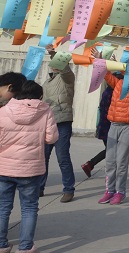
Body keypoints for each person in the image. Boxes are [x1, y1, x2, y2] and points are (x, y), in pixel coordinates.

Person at [0, 80, 58, 253]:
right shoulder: (45, 111)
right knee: (29, 208)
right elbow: (51, 138)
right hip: (31, 169)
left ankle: (1, 245)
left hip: (4, 167)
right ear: (40, 96)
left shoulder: (4, 110)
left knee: (3, 207)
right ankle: (25, 247)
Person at [98, 69, 129, 205]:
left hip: (128, 127)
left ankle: (120, 192)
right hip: (114, 125)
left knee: (121, 161)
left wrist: (125, 68)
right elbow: (106, 75)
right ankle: (109, 190)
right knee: (110, 161)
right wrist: (103, 62)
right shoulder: (118, 84)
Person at [39, 46, 76, 202]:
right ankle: (39, 187)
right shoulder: (47, 82)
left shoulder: (67, 78)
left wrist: (53, 54)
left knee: (62, 157)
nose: (55, 65)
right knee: (43, 157)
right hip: (47, 122)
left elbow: (65, 70)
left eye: (58, 62)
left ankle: (69, 189)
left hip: (62, 122)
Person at [81, 81, 113, 178]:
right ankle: (108, 174)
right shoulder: (113, 93)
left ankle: (90, 165)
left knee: (111, 150)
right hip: (109, 126)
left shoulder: (107, 91)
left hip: (104, 125)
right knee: (112, 150)